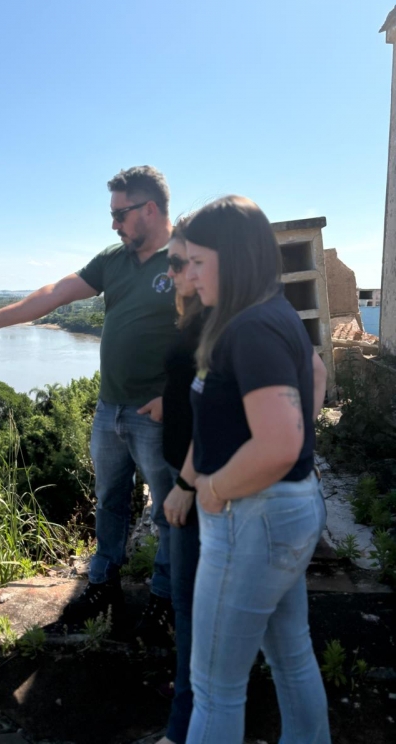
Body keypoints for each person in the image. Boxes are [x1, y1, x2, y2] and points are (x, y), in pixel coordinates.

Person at [0, 166, 178, 634]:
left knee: (168, 509)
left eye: (120, 213)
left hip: (157, 414)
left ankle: (165, 596)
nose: (113, 223)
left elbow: (211, 331)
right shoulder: (113, 259)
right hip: (109, 409)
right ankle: (103, 582)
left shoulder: (186, 259)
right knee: (109, 501)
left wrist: (177, 395)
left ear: (149, 209)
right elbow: (56, 293)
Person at [176, 196, 330, 744]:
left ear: (234, 258)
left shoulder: (250, 328)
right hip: (285, 510)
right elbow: (313, 374)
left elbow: (279, 444)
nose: (189, 276)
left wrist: (215, 488)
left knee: (215, 686)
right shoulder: (274, 311)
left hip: (253, 518)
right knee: (292, 657)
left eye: (198, 261)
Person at [155, 216, 205, 744]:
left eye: (176, 261)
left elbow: (213, 411)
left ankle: (184, 724)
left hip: (196, 479)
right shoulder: (192, 314)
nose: (169, 272)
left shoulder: (217, 318)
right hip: (182, 468)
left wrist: (187, 483)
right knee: (189, 596)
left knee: (190, 599)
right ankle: (194, 690)